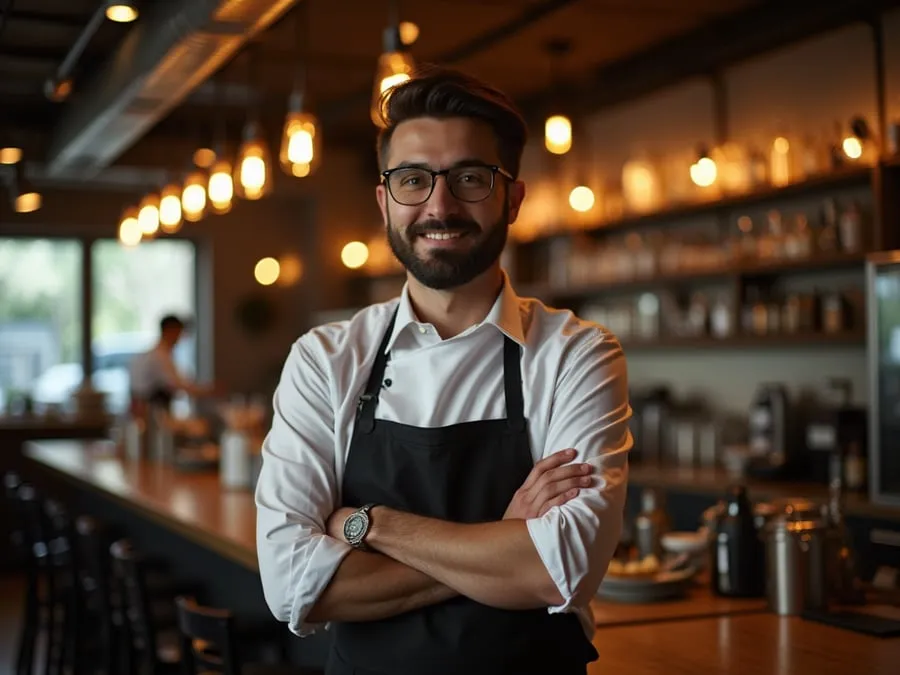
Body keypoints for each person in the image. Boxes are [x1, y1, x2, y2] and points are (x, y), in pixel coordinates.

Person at [255, 66, 631, 675]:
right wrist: (500, 540)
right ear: (384, 201)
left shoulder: (576, 354)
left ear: (512, 197)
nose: (440, 205)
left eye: (470, 178)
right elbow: (294, 586)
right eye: (412, 180)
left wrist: (368, 524)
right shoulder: (324, 360)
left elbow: (560, 569)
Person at [128, 314, 215, 415]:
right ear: (170, 331)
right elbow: (179, 384)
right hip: (150, 411)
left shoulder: (158, 353)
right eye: (179, 333)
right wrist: (208, 391)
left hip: (151, 408)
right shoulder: (159, 356)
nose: (180, 337)